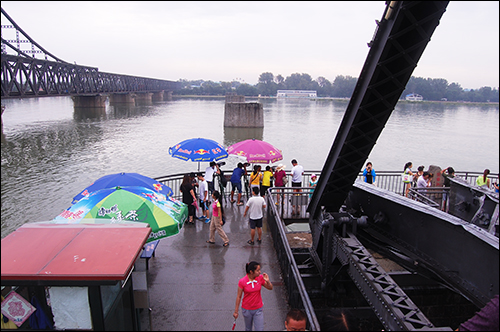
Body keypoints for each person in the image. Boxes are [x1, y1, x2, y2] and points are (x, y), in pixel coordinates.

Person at [233, 261, 273, 331]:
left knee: (259, 329)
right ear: (251, 272)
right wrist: (236, 311)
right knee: (248, 329)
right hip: (247, 309)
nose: (260, 272)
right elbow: (239, 296)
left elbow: (270, 288)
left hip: (258, 309)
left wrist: (268, 281)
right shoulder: (242, 281)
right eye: (257, 270)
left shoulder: (260, 278)